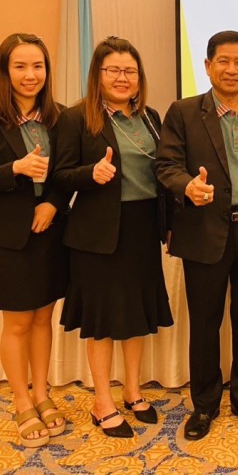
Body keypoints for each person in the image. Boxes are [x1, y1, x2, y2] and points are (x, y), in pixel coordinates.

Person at [156, 30, 238, 440]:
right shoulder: (183, 111)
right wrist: (187, 186)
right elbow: (166, 165)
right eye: (224, 61)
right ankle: (205, 405)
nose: (232, 70)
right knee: (205, 323)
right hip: (203, 231)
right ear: (208, 66)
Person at [53, 37, 173, 438]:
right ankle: (102, 401)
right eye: (114, 70)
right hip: (98, 235)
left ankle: (133, 391)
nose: (123, 78)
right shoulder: (76, 118)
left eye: (130, 71)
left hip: (142, 230)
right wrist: (90, 174)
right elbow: (60, 176)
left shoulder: (150, 117)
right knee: (103, 322)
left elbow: (162, 173)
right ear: (98, 75)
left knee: (136, 317)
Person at [0, 33, 70, 447]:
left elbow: (66, 173)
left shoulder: (59, 118)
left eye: (38, 66)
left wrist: (53, 205)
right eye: (20, 66)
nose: (31, 75)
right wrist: (15, 169)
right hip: (10, 237)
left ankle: (42, 393)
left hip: (51, 233)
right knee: (18, 322)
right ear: (5, 71)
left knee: (44, 317)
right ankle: (21, 399)